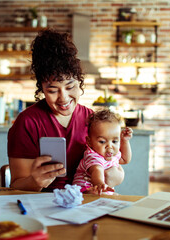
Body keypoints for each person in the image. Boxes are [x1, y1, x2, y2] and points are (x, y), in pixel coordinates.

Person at [7, 29, 125, 191]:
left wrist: (115, 177)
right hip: (43, 204)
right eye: (53, 90)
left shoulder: (92, 119)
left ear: (80, 81)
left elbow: (110, 163)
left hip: (86, 202)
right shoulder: (27, 122)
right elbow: (16, 186)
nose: (63, 98)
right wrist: (35, 181)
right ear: (41, 88)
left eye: (70, 87)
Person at [72, 109, 133, 195]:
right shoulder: (92, 155)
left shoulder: (112, 154)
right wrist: (100, 184)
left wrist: (125, 141)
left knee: (117, 197)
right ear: (89, 142)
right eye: (102, 141)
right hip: (84, 190)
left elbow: (125, 159)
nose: (109, 146)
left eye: (115, 141)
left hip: (101, 188)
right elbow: (97, 169)